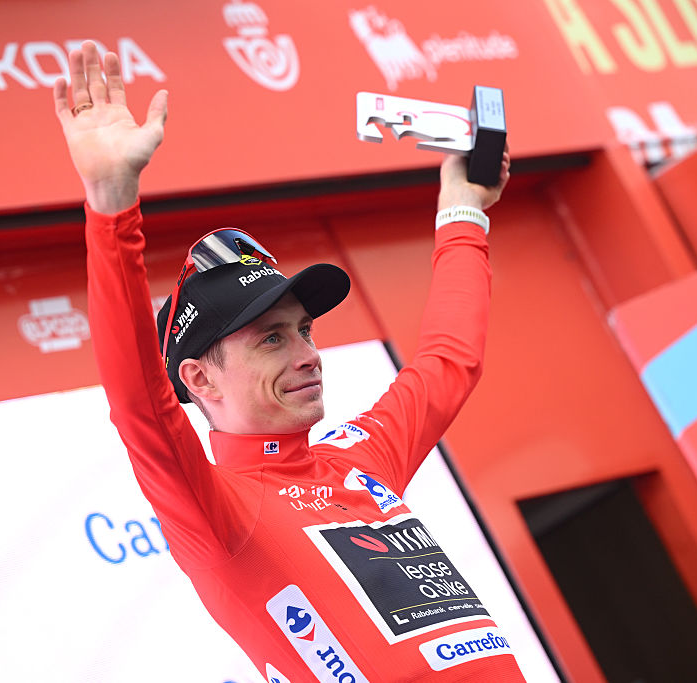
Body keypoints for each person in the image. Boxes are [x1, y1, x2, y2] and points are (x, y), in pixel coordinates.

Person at [54, 41, 523, 683]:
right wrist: (112, 205)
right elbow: (141, 407)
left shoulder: (359, 460)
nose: (308, 355)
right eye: (271, 339)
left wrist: (462, 206)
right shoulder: (218, 511)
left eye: (304, 330)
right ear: (199, 378)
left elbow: (451, 360)